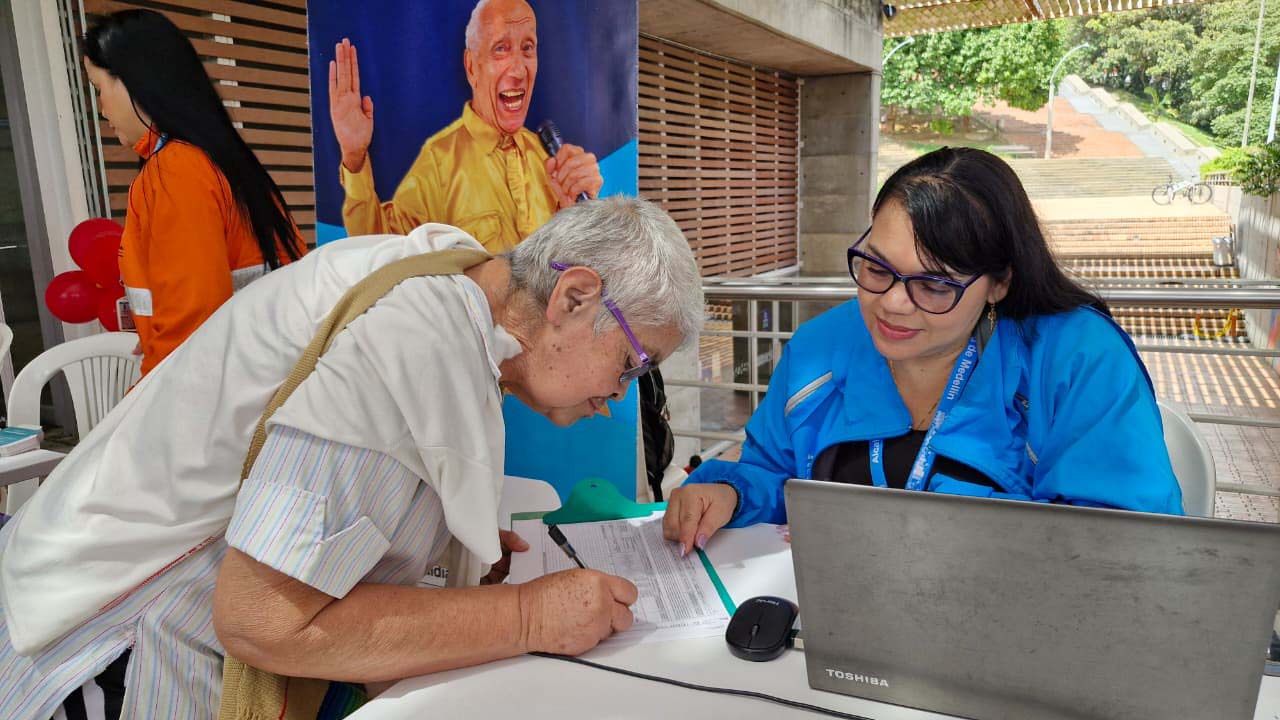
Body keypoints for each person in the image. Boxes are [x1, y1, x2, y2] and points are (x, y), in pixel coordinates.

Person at [0, 196, 703, 720]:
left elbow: (355, 478)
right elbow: (264, 620)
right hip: (117, 652)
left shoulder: (449, 276)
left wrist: (441, 543)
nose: (618, 396)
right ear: (575, 296)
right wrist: (527, 617)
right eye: (634, 365)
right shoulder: (413, 341)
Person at [663, 147, 1183, 555]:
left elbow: (1123, 543)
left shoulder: (1077, 360)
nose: (891, 304)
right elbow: (774, 473)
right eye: (876, 267)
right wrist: (730, 493)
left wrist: (916, 538)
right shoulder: (824, 345)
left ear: (999, 284)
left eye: (933, 286)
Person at [83, 9, 306, 378]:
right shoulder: (216, 157)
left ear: (133, 82)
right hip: (264, 377)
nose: (101, 106)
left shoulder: (175, 170)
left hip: (225, 393)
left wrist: (144, 404)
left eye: (99, 88)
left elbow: (192, 332)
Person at [329, 0, 604, 251]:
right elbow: (379, 248)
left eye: (527, 48)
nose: (519, 70)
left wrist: (577, 214)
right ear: (472, 67)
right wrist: (354, 157)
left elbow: (576, 268)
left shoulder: (548, 159)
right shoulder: (440, 161)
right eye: (501, 49)